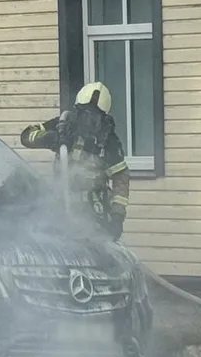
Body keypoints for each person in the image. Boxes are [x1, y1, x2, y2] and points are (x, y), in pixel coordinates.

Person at [20, 81, 130, 240]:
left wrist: (117, 216)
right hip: (59, 202)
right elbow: (26, 136)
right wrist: (49, 138)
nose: (87, 121)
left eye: (94, 117)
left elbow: (121, 178)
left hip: (93, 211)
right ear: (77, 109)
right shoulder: (63, 126)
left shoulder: (109, 142)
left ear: (103, 118)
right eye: (84, 114)